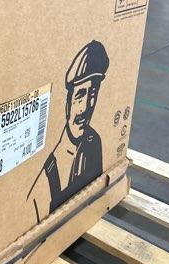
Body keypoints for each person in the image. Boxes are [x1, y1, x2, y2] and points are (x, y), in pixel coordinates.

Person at [27, 40, 109, 224]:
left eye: (93, 94)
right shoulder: (47, 177)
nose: (86, 107)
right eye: (80, 95)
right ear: (67, 102)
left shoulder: (94, 141)